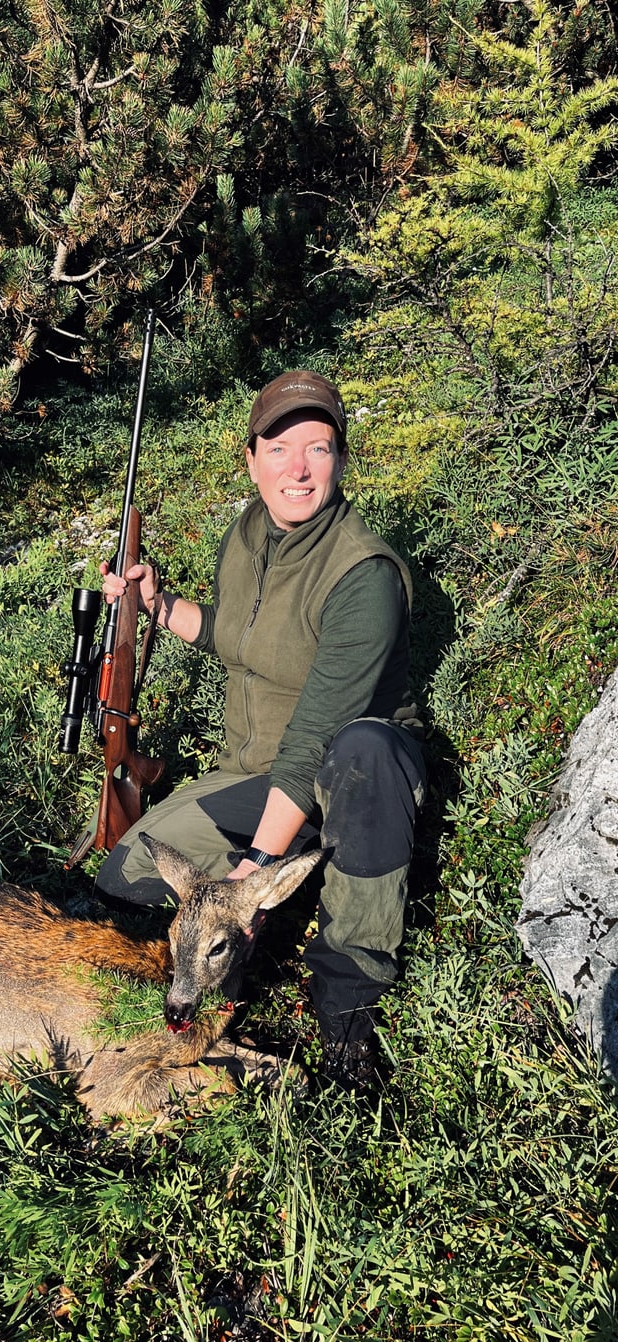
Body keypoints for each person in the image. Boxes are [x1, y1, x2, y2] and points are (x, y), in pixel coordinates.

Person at [95, 370, 426, 1092]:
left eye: (319, 447)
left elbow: (314, 735)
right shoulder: (247, 534)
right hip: (251, 767)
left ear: (342, 459)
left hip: (344, 770)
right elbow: (237, 639)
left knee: (366, 753)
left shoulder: (362, 574)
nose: (298, 469)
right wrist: (159, 606)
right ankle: (280, 893)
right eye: (279, 448)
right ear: (250, 458)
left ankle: (347, 1011)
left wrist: (250, 871)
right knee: (122, 875)